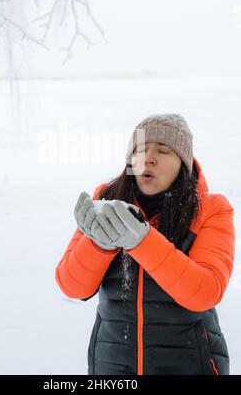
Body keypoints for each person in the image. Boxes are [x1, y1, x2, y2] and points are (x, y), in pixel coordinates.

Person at [55, 113, 235, 375]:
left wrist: (141, 241)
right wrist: (98, 245)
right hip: (112, 367)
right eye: (140, 150)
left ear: (183, 164)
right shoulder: (106, 202)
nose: (149, 157)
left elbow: (206, 291)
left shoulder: (210, 210)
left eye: (163, 150)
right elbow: (71, 286)